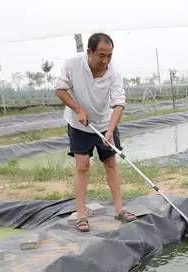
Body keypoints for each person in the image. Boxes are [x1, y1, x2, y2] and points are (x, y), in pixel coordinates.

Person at [54, 32, 137, 232]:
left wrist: (110, 132)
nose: (105, 60)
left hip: (105, 123)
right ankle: (81, 215)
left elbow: (118, 104)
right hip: (79, 124)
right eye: (101, 55)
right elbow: (59, 89)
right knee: (82, 166)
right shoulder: (72, 65)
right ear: (89, 52)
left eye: (109, 55)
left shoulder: (113, 73)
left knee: (110, 163)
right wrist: (78, 109)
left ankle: (119, 209)